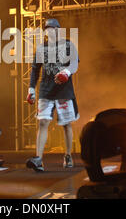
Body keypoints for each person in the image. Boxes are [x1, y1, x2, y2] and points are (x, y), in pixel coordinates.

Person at [25, 18, 80, 172]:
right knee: (42, 123)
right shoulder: (41, 48)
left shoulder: (68, 45)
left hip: (64, 91)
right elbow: (35, 70)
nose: (49, 30)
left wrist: (66, 72)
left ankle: (68, 155)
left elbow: (74, 63)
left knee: (66, 123)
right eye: (46, 28)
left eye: (52, 28)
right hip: (45, 90)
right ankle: (38, 159)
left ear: (58, 30)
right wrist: (31, 89)